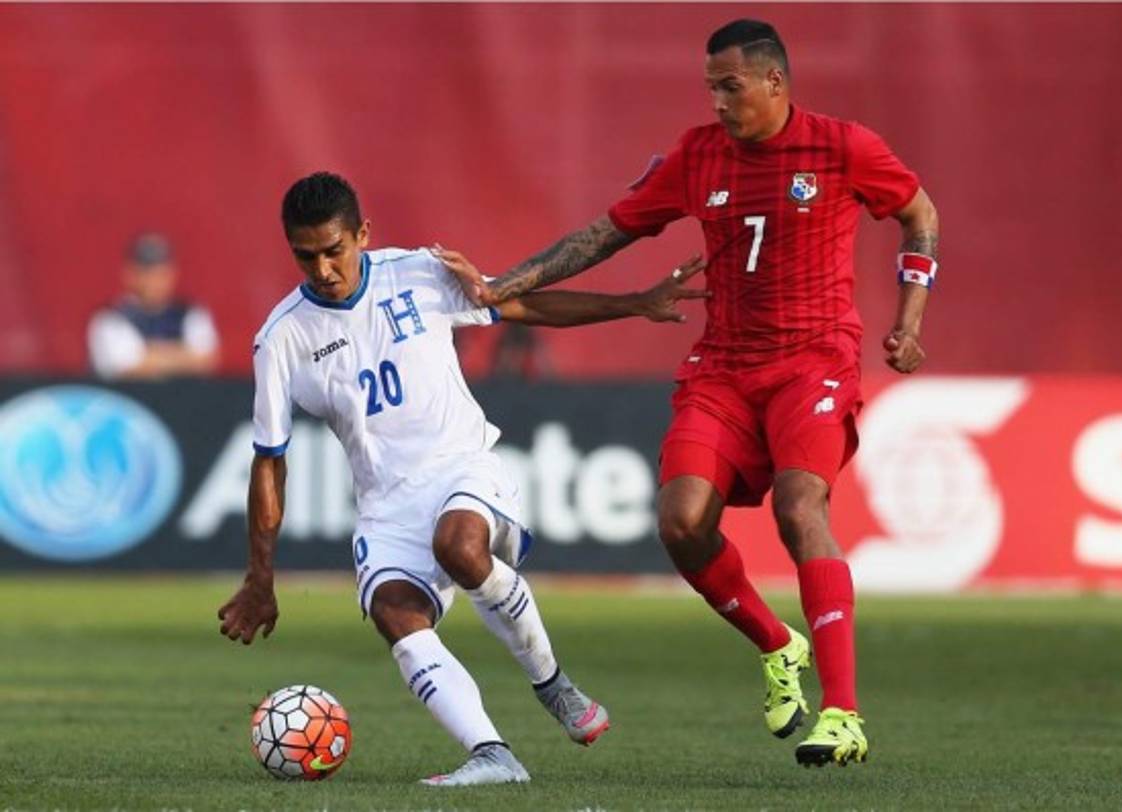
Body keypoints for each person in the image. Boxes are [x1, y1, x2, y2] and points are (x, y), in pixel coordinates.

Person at [450, 19, 940, 768]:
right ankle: (779, 647)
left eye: (730, 86)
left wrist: (909, 320)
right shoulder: (697, 154)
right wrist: (502, 285)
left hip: (814, 359)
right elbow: (605, 233)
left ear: (775, 83)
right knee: (680, 524)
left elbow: (919, 213)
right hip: (723, 367)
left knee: (800, 505)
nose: (717, 101)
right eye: (710, 86)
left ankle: (843, 713)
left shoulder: (841, 147)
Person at [216, 172, 706, 786]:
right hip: (385, 506)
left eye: (334, 250)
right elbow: (270, 459)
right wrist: (260, 576)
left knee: (459, 546)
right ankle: (493, 755)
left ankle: (553, 685)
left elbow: (521, 305)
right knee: (395, 615)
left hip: (463, 466)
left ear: (362, 234)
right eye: (305, 255)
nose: (322, 268)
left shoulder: (418, 274)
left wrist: (634, 302)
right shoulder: (282, 338)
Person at [87, 232, 220, 379]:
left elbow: (206, 360)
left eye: (161, 273)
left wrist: (151, 353)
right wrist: (182, 356)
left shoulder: (191, 314)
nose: (155, 282)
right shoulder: (109, 319)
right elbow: (127, 366)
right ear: (130, 275)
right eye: (147, 273)